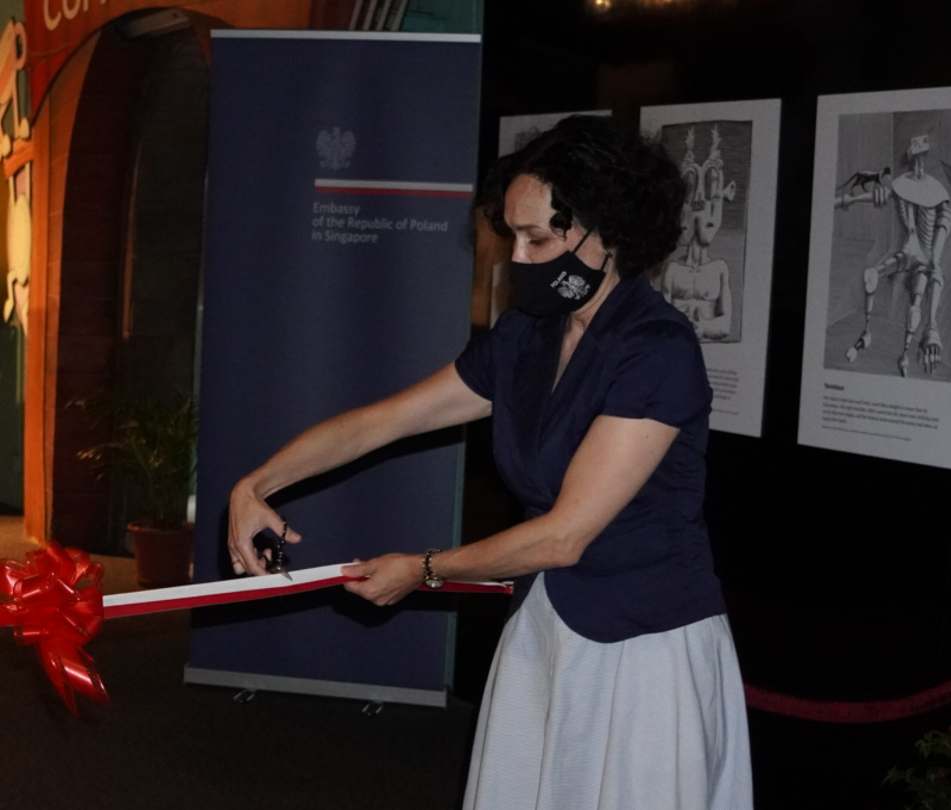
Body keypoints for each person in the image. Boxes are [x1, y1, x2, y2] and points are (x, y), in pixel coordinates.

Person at [227, 115, 752, 809]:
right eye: (514, 238)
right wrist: (256, 482)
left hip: (643, 645)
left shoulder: (656, 347)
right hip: (551, 624)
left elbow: (565, 535)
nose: (520, 260)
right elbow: (388, 420)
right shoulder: (528, 334)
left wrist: (424, 571)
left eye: (539, 237)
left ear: (610, 230)